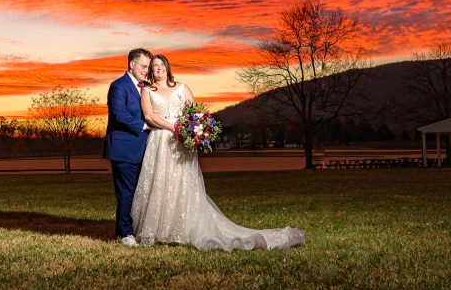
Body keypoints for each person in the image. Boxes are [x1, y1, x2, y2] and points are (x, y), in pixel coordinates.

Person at [131, 54, 305, 251]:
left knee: (181, 183)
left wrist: (192, 130)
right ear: (151, 71)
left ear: (167, 67)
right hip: (160, 141)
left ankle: (183, 229)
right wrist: (174, 127)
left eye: (162, 64)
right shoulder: (148, 91)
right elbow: (149, 115)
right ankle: (160, 231)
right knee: (161, 182)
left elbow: (195, 114)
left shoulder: (182, 88)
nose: (159, 68)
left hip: (181, 143)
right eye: (155, 66)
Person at [103, 48, 152, 247]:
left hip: (143, 148)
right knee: (126, 192)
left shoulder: (146, 87)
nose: (146, 70)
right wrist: (145, 125)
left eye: (148, 67)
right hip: (124, 149)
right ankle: (125, 234)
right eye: (143, 66)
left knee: (140, 191)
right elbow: (119, 114)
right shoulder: (118, 86)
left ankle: (127, 229)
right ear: (131, 64)